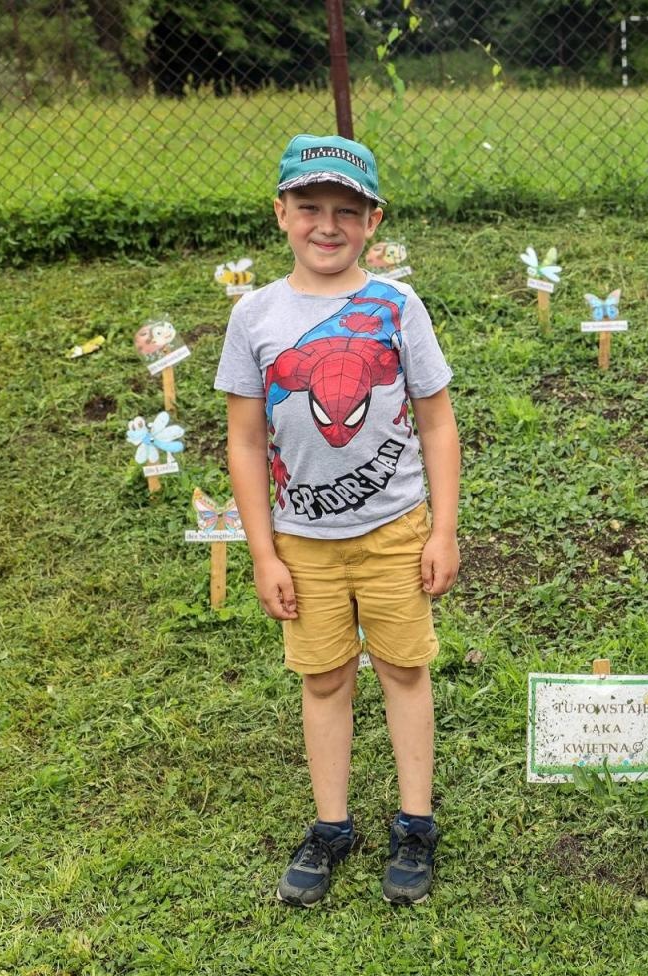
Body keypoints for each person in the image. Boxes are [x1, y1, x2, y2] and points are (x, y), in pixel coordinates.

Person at [215, 134, 461, 907]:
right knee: (323, 678)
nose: (328, 225)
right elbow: (246, 439)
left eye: (346, 211)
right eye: (311, 207)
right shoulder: (255, 315)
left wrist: (443, 529)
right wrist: (264, 552)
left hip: (395, 533)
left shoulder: (397, 306)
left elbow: (439, 422)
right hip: (303, 542)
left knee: (403, 668)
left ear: (373, 220)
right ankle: (331, 827)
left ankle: (415, 822)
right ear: (281, 212)